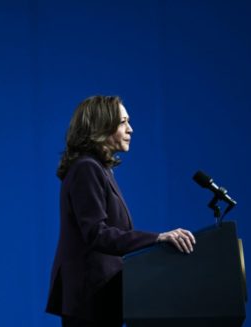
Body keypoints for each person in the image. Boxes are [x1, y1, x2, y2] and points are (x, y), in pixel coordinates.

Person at [45, 95, 196, 327]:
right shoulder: (86, 168)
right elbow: (97, 233)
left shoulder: (99, 169)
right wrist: (157, 238)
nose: (131, 129)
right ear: (101, 126)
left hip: (103, 298)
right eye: (123, 122)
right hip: (89, 301)